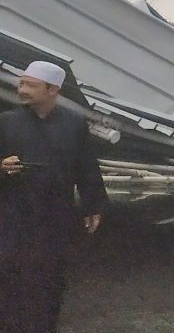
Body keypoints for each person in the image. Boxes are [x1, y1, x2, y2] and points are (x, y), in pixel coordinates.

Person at [0, 61, 106, 333]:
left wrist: (93, 205)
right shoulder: (6, 122)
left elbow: (86, 165)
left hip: (56, 216)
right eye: (22, 83)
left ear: (52, 90)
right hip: (13, 215)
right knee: (11, 277)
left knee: (50, 277)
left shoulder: (74, 124)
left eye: (30, 85)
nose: (21, 89)